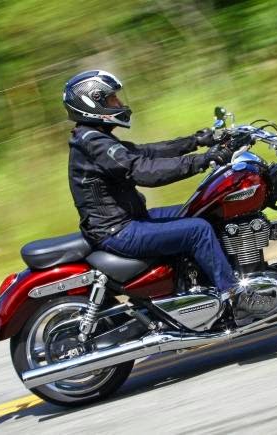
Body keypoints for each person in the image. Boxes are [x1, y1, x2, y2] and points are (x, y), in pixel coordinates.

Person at [63, 69, 238, 300]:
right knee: (199, 230)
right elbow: (142, 171)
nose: (120, 104)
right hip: (119, 231)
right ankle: (235, 296)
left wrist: (196, 140)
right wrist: (204, 160)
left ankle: (205, 284)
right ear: (93, 103)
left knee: (203, 209)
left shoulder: (93, 136)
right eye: (112, 99)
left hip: (130, 220)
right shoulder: (93, 143)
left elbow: (145, 151)